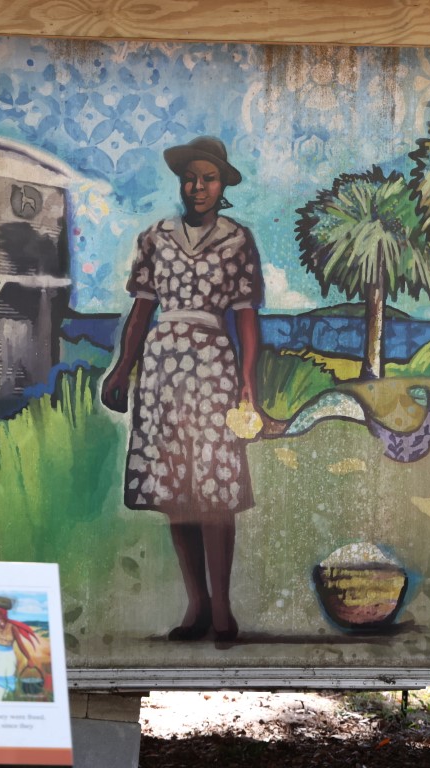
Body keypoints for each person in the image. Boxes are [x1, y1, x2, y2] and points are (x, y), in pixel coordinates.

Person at [101, 135, 264, 643]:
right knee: (176, 493)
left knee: (213, 488)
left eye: (208, 178)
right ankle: (196, 605)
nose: (197, 187)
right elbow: (141, 311)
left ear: (222, 185)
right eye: (190, 178)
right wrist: (122, 368)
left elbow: (247, 320)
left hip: (213, 365)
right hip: (162, 369)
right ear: (181, 183)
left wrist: (247, 387)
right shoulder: (155, 238)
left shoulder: (238, 240)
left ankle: (223, 610)